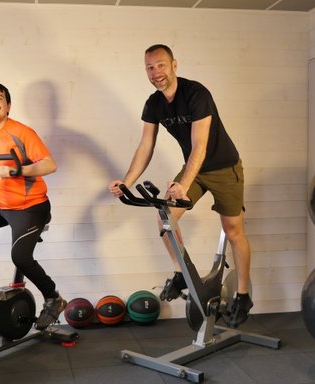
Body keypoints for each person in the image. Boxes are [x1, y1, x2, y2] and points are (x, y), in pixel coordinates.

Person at [108, 44, 253, 328]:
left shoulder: (197, 94)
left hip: (224, 168)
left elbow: (200, 145)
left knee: (233, 230)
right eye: (150, 67)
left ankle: (244, 295)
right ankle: (180, 273)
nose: (156, 72)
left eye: (161, 65)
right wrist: (126, 182)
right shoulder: (154, 103)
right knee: (165, 221)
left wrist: (183, 184)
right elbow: (145, 145)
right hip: (194, 170)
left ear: (174, 65)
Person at [0, 81, 65, 330]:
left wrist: (19, 170)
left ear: (8, 106)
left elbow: (50, 165)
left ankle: (54, 298)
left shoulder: (22, 132)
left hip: (30, 207)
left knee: (20, 256)